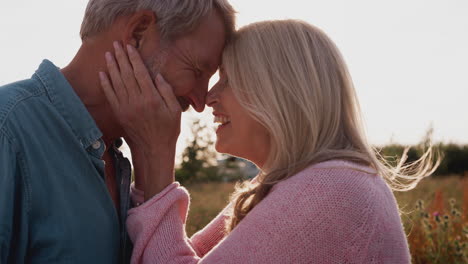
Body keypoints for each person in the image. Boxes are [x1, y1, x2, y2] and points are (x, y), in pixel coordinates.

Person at [101, 19, 439, 263]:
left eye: (229, 80)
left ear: (278, 92)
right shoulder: (294, 185)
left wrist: (158, 154)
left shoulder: (332, 190)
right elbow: (161, 252)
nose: (210, 97)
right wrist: (147, 155)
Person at [0, 0, 235, 263]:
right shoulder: (8, 130)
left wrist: (155, 160)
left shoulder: (115, 155)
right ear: (137, 34)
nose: (200, 102)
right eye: (197, 70)